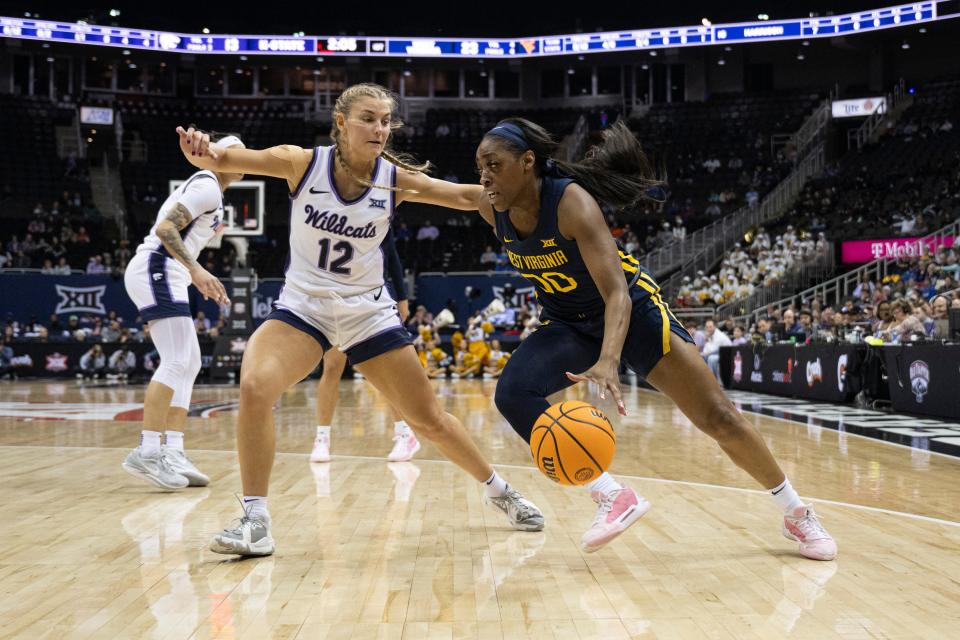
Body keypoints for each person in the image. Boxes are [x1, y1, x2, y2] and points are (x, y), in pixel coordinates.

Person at [176, 83, 543, 557]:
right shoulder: (301, 162)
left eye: (387, 120)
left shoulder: (395, 178)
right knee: (254, 386)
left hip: (367, 311)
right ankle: (256, 519)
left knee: (429, 420)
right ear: (342, 122)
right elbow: (229, 160)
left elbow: (466, 197)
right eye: (369, 118)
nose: (380, 129)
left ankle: (499, 491)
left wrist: (527, 201)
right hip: (304, 306)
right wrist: (203, 150)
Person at [475, 118, 836, 559]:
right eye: (480, 168)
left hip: (631, 312)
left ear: (527, 161)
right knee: (513, 393)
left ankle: (796, 513)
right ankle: (611, 495)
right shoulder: (489, 204)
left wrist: (609, 360)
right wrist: (373, 170)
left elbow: (617, 294)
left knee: (718, 417)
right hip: (569, 324)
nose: (484, 176)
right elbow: (421, 186)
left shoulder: (571, 204)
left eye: (493, 164)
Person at [121, 132, 243, 492]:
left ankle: (172, 450)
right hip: (156, 267)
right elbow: (164, 228)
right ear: (217, 155)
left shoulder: (215, 194)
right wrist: (196, 269)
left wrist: (193, 271)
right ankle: (146, 450)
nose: (239, 159)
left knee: (189, 363)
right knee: (175, 361)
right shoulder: (206, 183)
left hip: (169, 272)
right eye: (232, 152)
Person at [309, 223, 421, 464]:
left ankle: (404, 433)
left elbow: (391, 254)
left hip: (372, 299)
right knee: (331, 367)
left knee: (385, 372)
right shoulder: (323, 212)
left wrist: (402, 297)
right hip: (335, 297)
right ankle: (322, 439)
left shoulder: (375, 210)